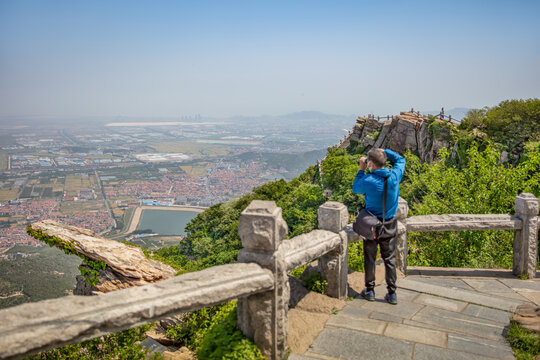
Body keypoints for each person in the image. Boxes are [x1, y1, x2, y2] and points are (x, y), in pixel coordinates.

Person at [352, 148, 405, 305]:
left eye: (368, 162)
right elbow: (401, 160)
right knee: (389, 258)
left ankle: (370, 290)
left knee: (370, 257)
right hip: (390, 223)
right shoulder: (395, 176)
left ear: (371, 164)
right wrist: (385, 151)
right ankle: (392, 293)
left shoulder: (368, 180)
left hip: (372, 224)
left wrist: (361, 170)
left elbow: (356, 188)